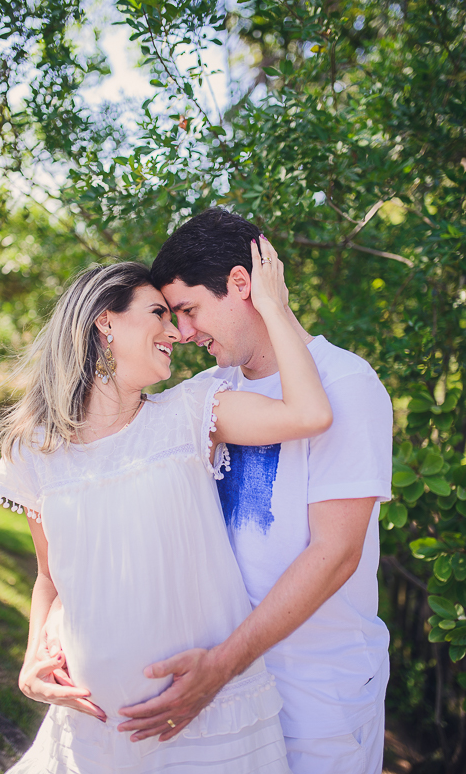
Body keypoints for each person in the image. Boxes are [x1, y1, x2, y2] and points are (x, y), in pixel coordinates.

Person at [0, 237, 332, 774]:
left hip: (207, 722)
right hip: (94, 731)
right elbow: (50, 578)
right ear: (105, 322)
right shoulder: (36, 452)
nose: (177, 332)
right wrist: (33, 659)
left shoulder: (191, 413)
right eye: (158, 315)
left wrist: (273, 306)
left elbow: (309, 414)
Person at [115, 208, 393, 774]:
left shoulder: (347, 383)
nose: (184, 333)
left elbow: (335, 553)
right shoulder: (208, 390)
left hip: (320, 691)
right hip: (231, 687)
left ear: (242, 285)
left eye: (189, 310)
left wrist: (223, 664)